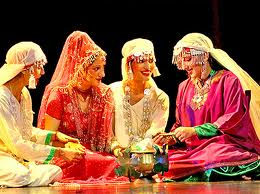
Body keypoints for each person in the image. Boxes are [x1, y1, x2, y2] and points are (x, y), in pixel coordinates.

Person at [154, 32, 260, 181]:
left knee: (211, 156)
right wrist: (172, 138)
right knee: (159, 158)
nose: (184, 66)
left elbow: (233, 118)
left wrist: (196, 130)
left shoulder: (228, 81)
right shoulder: (183, 87)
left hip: (224, 143)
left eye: (188, 59)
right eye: (182, 61)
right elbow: (180, 123)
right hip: (192, 148)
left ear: (203, 56)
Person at [37, 30, 129, 184]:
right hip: (67, 155)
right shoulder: (59, 95)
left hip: (94, 154)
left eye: (102, 67)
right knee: (95, 162)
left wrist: (117, 148)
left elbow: (109, 137)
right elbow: (48, 138)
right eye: (96, 69)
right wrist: (68, 144)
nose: (103, 74)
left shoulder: (103, 94)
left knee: (118, 163)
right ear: (79, 68)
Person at [0, 41, 85, 188]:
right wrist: (60, 153)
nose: (43, 72)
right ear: (25, 69)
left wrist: (54, 135)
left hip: (16, 158)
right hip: (4, 155)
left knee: (56, 171)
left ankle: (25, 177)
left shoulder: (24, 94)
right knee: (19, 176)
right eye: (39, 66)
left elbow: (26, 131)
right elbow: (16, 143)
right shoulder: (2, 97)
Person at [110, 38, 170, 159]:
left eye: (151, 60)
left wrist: (137, 153)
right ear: (129, 64)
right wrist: (116, 149)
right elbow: (107, 133)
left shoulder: (160, 98)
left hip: (147, 159)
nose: (148, 66)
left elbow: (155, 134)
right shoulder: (112, 91)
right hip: (115, 157)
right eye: (141, 61)